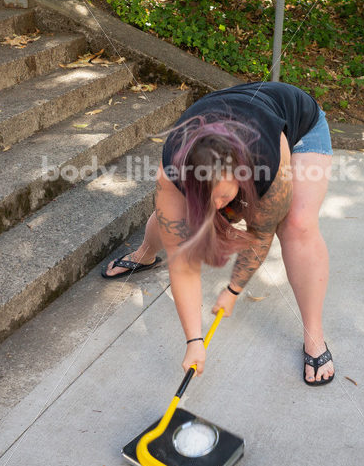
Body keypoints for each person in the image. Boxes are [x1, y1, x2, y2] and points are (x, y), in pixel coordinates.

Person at [103, 81, 335, 386]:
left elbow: (261, 234)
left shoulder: (267, 164)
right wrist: (193, 340)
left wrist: (233, 290)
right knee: (173, 216)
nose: (215, 209)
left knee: (296, 224)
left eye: (223, 198)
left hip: (298, 122)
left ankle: (314, 337)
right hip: (227, 115)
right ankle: (144, 253)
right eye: (206, 198)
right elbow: (182, 262)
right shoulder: (173, 170)